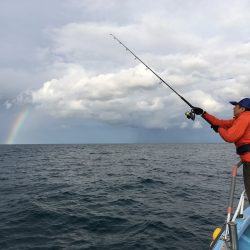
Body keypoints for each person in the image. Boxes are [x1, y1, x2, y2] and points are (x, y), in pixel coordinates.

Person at [193, 98, 250, 202]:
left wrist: (219, 129)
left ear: (242, 108)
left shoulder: (244, 118)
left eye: (236, 106)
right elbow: (219, 122)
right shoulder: (240, 119)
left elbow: (230, 137)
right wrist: (203, 113)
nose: (233, 108)